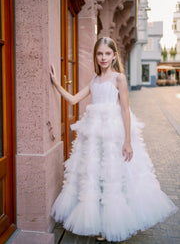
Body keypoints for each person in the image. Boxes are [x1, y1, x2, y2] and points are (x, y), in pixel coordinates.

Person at [50, 37, 178, 242]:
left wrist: (127, 141)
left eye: (107, 54)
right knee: (94, 174)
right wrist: (56, 82)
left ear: (114, 55)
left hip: (113, 133)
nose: (103, 58)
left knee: (113, 176)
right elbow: (73, 99)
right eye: (100, 54)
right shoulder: (94, 80)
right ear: (95, 56)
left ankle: (111, 223)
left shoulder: (119, 78)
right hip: (93, 135)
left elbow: (126, 109)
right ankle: (99, 222)